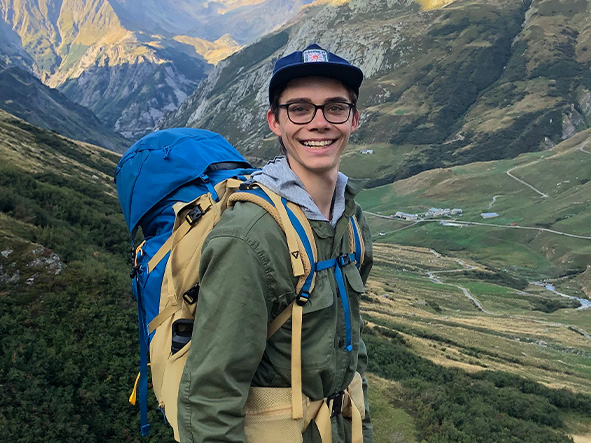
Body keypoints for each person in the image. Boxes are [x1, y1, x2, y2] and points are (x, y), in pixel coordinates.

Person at [177, 43, 373, 443]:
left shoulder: (351, 222)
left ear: (354, 120)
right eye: (299, 108)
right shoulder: (250, 235)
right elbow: (210, 397)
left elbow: (352, 351)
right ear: (275, 122)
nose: (319, 123)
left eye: (335, 107)